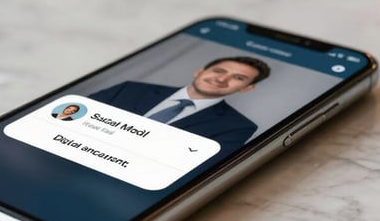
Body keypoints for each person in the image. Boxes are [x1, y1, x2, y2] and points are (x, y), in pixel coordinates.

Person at [89, 57, 270, 157]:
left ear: (246, 88)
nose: (222, 79)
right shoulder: (130, 89)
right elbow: (74, 116)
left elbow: (195, 170)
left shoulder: (238, 127)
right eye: (218, 71)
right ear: (199, 72)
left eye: (238, 78)